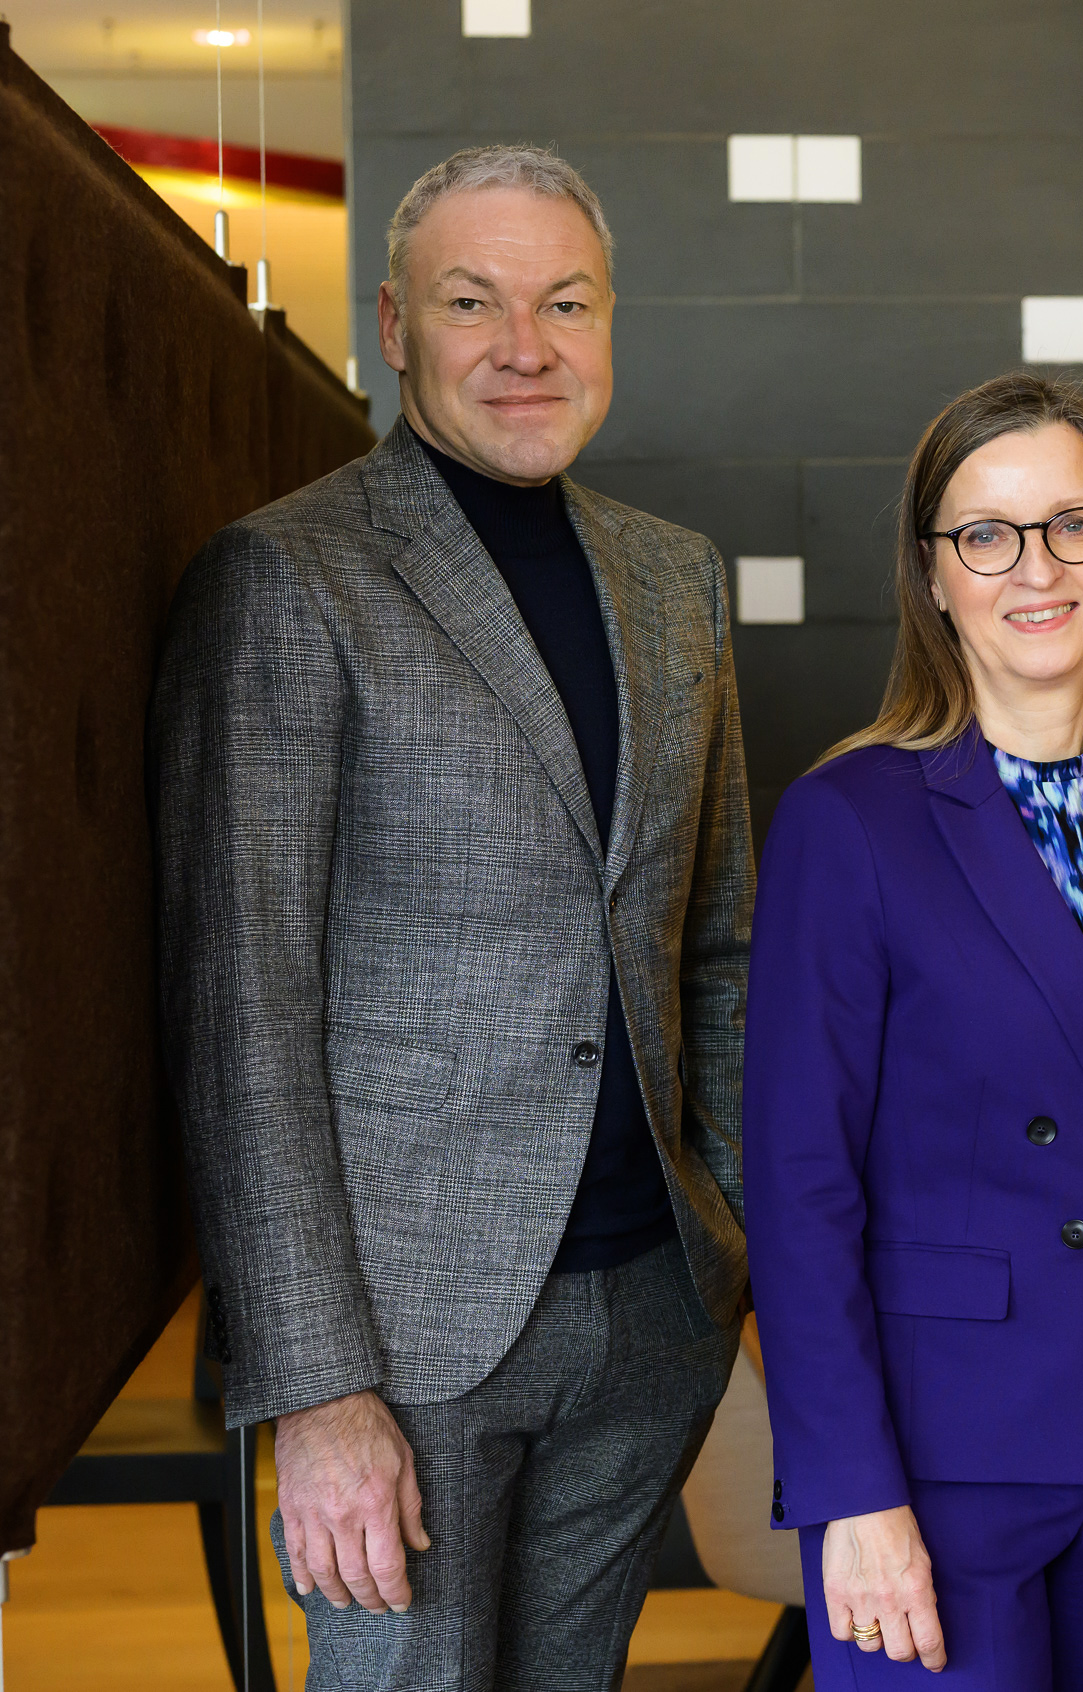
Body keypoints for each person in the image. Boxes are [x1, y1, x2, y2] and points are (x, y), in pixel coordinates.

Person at [152, 145, 753, 1689]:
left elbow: (719, 943)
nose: (525, 346)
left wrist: (732, 1238)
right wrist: (317, 1387)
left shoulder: (674, 581)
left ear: (612, 320)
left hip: (650, 1313)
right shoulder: (290, 576)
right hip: (404, 1344)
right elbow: (244, 1019)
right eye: (473, 301)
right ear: (396, 325)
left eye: (566, 302)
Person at [743, 374, 1083, 1689]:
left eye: (1074, 525)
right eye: (986, 534)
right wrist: (848, 1494)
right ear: (933, 577)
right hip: (940, 1454)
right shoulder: (852, 820)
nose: (1033, 567)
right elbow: (798, 1188)